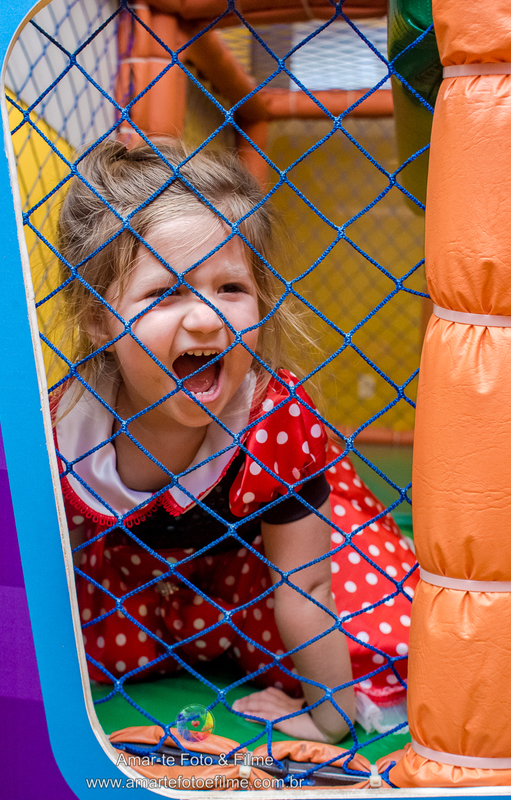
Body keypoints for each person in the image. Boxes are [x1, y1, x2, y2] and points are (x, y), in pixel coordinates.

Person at [51, 138, 417, 743]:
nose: (206, 318)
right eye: (166, 292)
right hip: (136, 579)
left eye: (230, 288)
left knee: (371, 620)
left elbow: (306, 582)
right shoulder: (65, 428)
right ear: (97, 316)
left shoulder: (275, 418)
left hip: (263, 567)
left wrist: (328, 716)